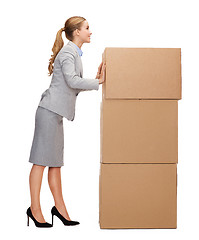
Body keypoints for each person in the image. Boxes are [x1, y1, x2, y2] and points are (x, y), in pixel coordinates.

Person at [26, 16, 106, 228]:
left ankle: (60, 209)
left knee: (55, 163)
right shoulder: (69, 52)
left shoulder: (74, 54)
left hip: (55, 113)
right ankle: (34, 209)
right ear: (77, 32)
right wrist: (97, 82)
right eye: (87, 28)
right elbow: (72, 81)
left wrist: (95, 79)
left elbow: (72, 85)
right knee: (41, 162)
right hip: (49, 111)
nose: (91, 31)